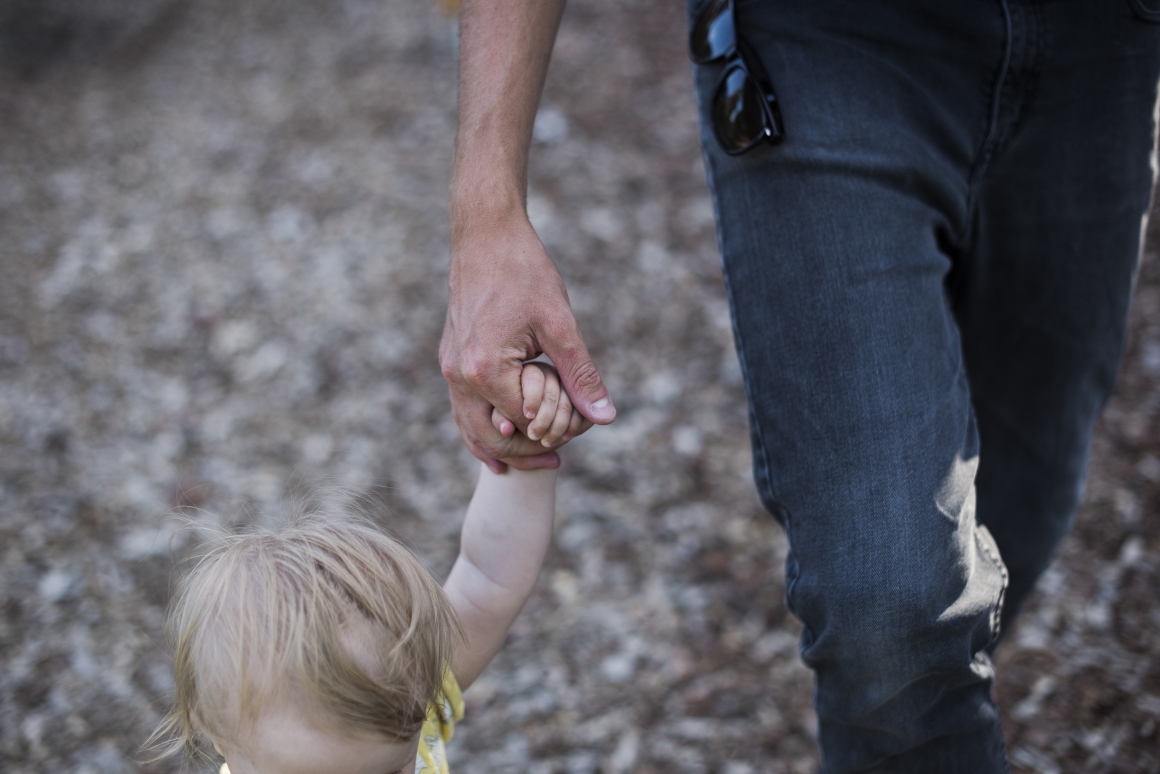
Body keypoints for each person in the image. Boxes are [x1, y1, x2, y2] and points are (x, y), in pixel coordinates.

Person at [439, 0, 1160, 770]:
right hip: (823, 41)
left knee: (1026, 499)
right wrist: (487, 211)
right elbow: (479, 589)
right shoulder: (391, 705)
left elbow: (481, 583)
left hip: (1105, 49)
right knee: (892, 605)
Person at [150, 362, 580, 774]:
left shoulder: (409, 692)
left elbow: (488, 578)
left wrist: (524, 442)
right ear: (214, 732)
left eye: (392, 771)